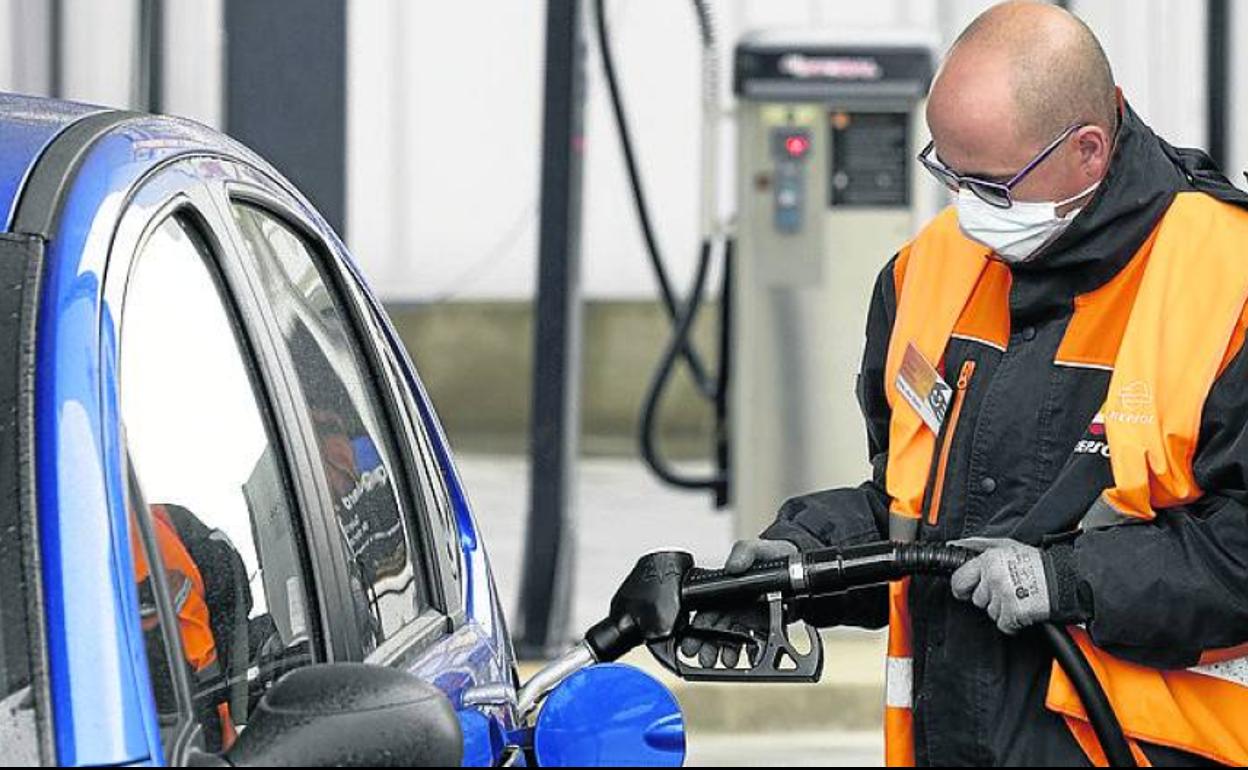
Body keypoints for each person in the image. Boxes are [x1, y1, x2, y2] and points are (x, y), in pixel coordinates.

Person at [685, 2, 1248, 765]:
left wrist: (1073, 580)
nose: (966, 207)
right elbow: (914, 517)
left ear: (1088, 149)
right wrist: (797, 560)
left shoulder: (1228, 283)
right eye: (946, 171)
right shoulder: (926, 273)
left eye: (989, 182)